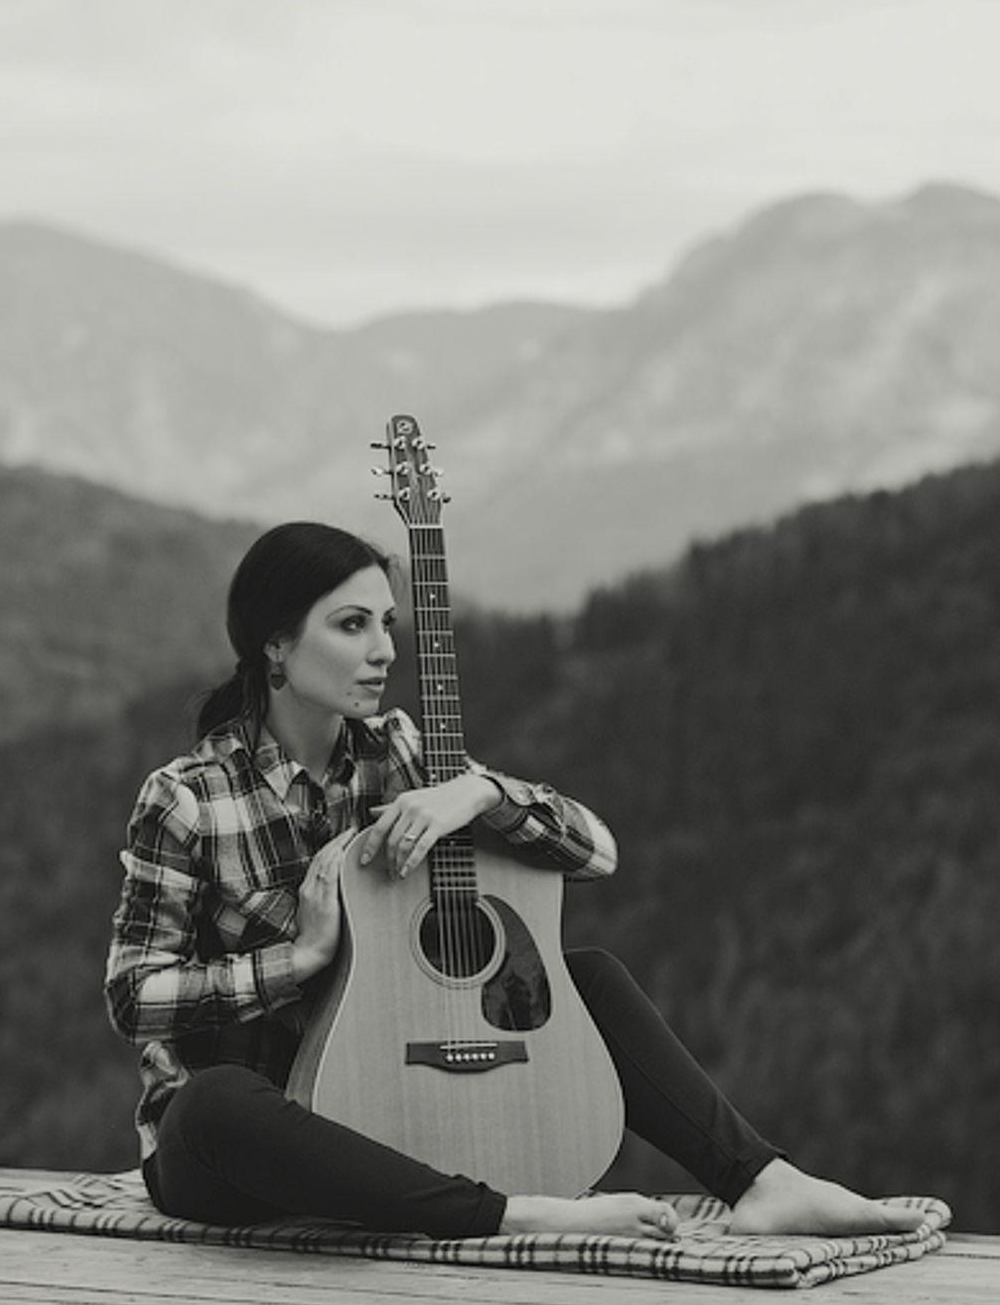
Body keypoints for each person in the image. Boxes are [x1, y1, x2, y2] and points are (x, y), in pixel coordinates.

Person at [105, 521, 924, 1241]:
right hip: (247, 1155)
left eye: (387, 624)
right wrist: (300, 960)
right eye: (352, 625)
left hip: (393, 1106)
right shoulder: (188, 798)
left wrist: (482, 794)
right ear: (275, 645)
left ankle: (762, 1182)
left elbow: (596, 854)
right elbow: (133, 996)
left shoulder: (402, 752)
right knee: (214, 1104)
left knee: (585, 976)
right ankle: (510, 1214)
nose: (384, 651)